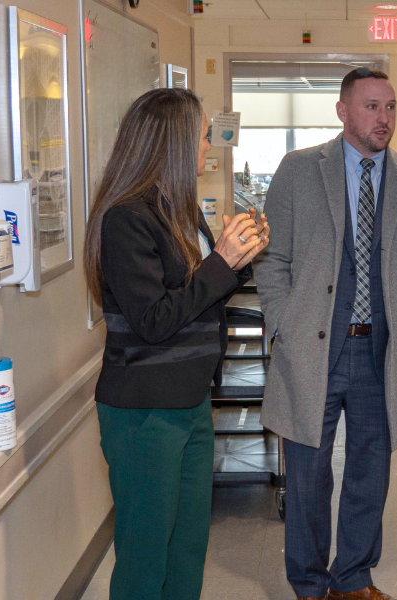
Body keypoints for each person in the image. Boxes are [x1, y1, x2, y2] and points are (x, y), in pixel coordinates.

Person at [257, 68, 397, 600]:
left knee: (370, 472)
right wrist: (282, 324)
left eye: (390, 107)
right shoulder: (300, 170)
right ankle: (309, 584)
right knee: (308, 474)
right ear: (343, 111)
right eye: (371, 107)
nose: (384, 118)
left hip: (381, 351)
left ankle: (352, 579)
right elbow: (272, 258)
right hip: (313, 348)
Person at [83, 88, 269, 600]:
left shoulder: (177, 210)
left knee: (186, 549)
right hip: (144, 410)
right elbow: (154, 319)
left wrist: (239, 260)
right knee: (146, 557)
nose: (209, 144)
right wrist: (220, 262)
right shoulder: (127, 217)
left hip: (189, 399)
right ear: (174, 142)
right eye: (203, 135)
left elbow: (195, 296)